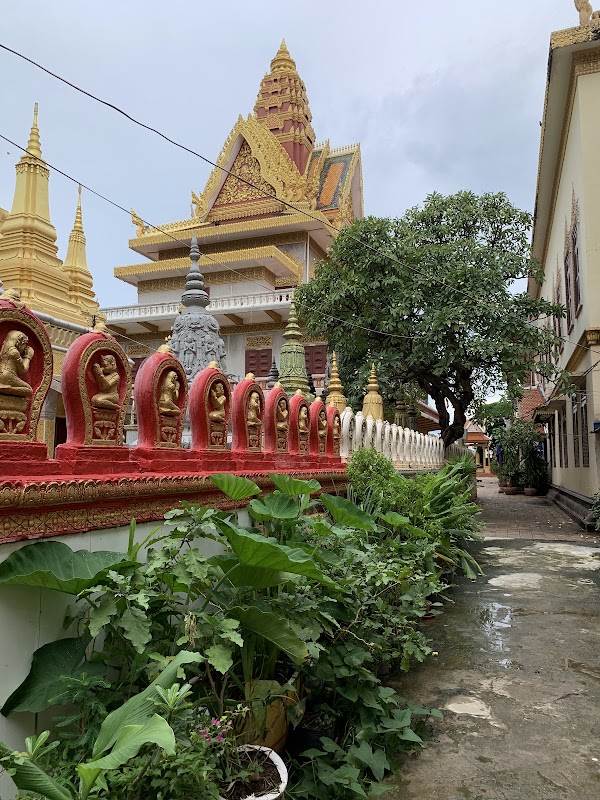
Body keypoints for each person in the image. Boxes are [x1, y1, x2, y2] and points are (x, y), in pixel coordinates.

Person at [0, 330, 34, 397]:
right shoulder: (14, 352)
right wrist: (28, 356)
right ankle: (6, 388)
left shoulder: (4, 349)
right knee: (29, 390)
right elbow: (23, 370)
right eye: (24, 344)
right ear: (19, 343)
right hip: (8, 376)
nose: (25, 347)